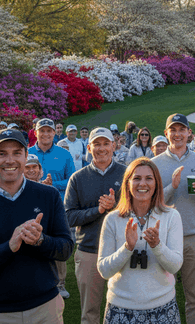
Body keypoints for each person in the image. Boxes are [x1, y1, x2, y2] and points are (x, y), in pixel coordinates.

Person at [0, 129, 74, 321]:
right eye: (1, 154)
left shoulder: (48, 196)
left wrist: (40, 240)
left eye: (17, 153)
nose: (10, 160)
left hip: (45, 308)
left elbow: (65, 249)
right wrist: (8, 247)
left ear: (26, 157)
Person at [97, 158, 184, 323]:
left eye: (149, 178)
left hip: (162, 308)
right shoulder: (112, 219)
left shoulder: (171, 216)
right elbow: (104, 270)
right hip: (120, 309)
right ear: (127, 183)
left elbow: (175, 266)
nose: (142, 183)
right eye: (136, 178)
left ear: (156, 184)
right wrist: (127, 247)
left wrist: (157, 246)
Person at [152, 113, 195, 324]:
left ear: (189, 133)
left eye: (182, 130)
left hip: (194, 236)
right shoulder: (154, 164)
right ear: (166, 133)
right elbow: (151, 202)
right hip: (164, 238)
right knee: (161, 295)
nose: (177, 134)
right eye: (173, 130)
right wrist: (172, 187)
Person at [64, 127, 127, 324]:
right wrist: (98, 210)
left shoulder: (127, 174)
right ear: (89, 148)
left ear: (114, 146)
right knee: (90, 312)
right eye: (97, 144)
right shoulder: (78, 178)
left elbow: (137, 211)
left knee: (125, 308)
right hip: (90, 251)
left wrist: (115, 207)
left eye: (106, 143)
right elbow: (69, 217)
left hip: (123, 250)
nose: (101, 148)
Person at [28, 118, 76, 299]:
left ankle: (60, 283)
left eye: (49, 131)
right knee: (32, 240)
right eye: (42, 130)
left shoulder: (64, 154)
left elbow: (71, 179)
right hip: (30, 204)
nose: (46, 134)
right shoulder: (27, 152)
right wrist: (38, 184)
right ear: (36, 132)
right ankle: (33, 279)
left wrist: (52, 184)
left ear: (54, 133)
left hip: (57, 205)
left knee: (57, 242)